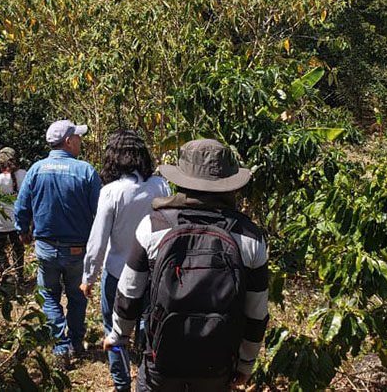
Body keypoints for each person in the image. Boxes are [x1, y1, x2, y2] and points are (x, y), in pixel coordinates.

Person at [103, 139, 269, 392]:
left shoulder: (153, 226)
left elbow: (129, 292)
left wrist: (118, 336)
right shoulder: (250, 237)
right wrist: (246, 364)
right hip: (217, 364)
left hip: (162, 362)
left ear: (181, 180)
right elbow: (256, 313)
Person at [81, 129, 171, 392]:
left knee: (113, 330)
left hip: (118, 272)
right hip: (152, 272)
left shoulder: (111, 192)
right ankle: (146, 376)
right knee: (148, 326)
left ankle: (122, 384)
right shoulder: (160, 186)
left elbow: (98, 240)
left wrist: (88, 277)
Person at [14, 119, 101, 364]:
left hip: (45, 248)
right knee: (77, 297)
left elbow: (21, 206)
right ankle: (75, 343)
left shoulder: (36, 169)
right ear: (68, 141)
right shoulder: (86, 171)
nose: (81, 141)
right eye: (78, 137)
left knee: (50, 296)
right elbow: (100, 212)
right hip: (77, 250)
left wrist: (23, 231)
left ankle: (60, 347)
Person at [0, 146, 28, 283]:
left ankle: (6, 275)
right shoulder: (24, 174)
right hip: (18, 221)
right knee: (18, 249)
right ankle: (20, 275)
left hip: (0, 223)